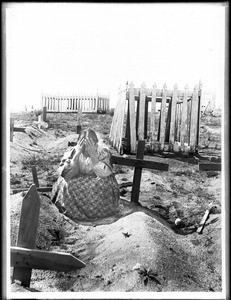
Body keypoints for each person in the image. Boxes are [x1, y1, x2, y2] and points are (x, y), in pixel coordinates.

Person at [51, 128, 120, 222]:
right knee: (68, 184)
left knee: (102, 185)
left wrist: (93, 155)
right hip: (78, 178)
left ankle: (98, 213)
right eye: (84, 145)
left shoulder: (102, 152)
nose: (86, 149)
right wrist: (77, 153)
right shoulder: (73, 151)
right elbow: (66, 175)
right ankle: (73, 212)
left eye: (90, 144)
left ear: (95, 144)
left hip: (98, 178)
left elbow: (104, 174)